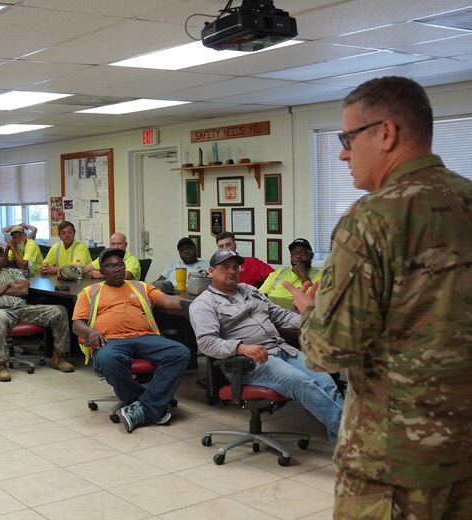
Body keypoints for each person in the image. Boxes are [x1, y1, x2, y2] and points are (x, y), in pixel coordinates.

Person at [284, 76, 472, 519]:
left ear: (385, 133)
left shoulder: (372, 219)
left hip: (394, 460)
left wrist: (311, 313)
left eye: (348, 138)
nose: (342, 153)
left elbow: (330, 350)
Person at [188, 249, 343, 443]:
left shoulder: (250, 290)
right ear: (210, 271)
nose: (231, 271)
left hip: (282, 350)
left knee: (326, 379)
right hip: (249, 362)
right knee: (303, 383)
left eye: (235, 267)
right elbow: (207, 343)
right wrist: (241, 348)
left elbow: (279, 315)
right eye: (224, 267)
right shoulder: (204, 304)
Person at [72, 247, 191, 433]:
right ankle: (150, 404)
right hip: (110, 341)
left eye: (120, 265)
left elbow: (167, 301)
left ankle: (143, 408)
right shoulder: (89, 292)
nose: (117, 269)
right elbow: (77, 324)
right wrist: (91, 332)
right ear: (102, 272)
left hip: (145, 337)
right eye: (110, 266)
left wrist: (192, 305)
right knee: (108, 360)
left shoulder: (140, 286)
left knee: (180, 352)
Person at [0, 242, 74, 382]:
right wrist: (7, 284)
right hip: (0, 312)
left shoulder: (14, 272)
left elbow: (23, 290)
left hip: (23, 310)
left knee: (59, 310)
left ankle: (59, 356)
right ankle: (0, 364)